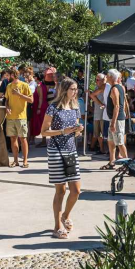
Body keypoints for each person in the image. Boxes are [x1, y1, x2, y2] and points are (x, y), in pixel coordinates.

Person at [42, 76, 84, 239]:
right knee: (61, 190)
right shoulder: (53, 108)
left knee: (76, 190)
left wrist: (78, 130)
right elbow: (43, 131)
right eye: (72, 89)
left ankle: (65, 215)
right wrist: (62, 131)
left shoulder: (75, 107)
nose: (75, 92)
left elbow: (76, 130)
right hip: (56, 151)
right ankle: (57, 226)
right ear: (64, 90)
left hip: (71, 150)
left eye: (76, 89)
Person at [102, 69, 128, 170]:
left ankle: (127, 165)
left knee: (120, 142)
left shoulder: (114, 89)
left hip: (116, 119)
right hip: (115, 118)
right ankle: (112, 162)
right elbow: (124, 103)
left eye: (107, 76)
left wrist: (113, 123)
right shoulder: (120, 87)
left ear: (112, 77)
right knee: (111, 141)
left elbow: (117, 106)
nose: (106, 78)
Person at [30, 69, 52, 148]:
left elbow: (41, 98)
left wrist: (39, 108)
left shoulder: (39, 86)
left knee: (41, 123)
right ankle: (43, 140)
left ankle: (43, 141)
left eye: (35, 77)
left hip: (40, 106)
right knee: (43, 122)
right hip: (44, 105)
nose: (34, 78)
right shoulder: (45, 85)